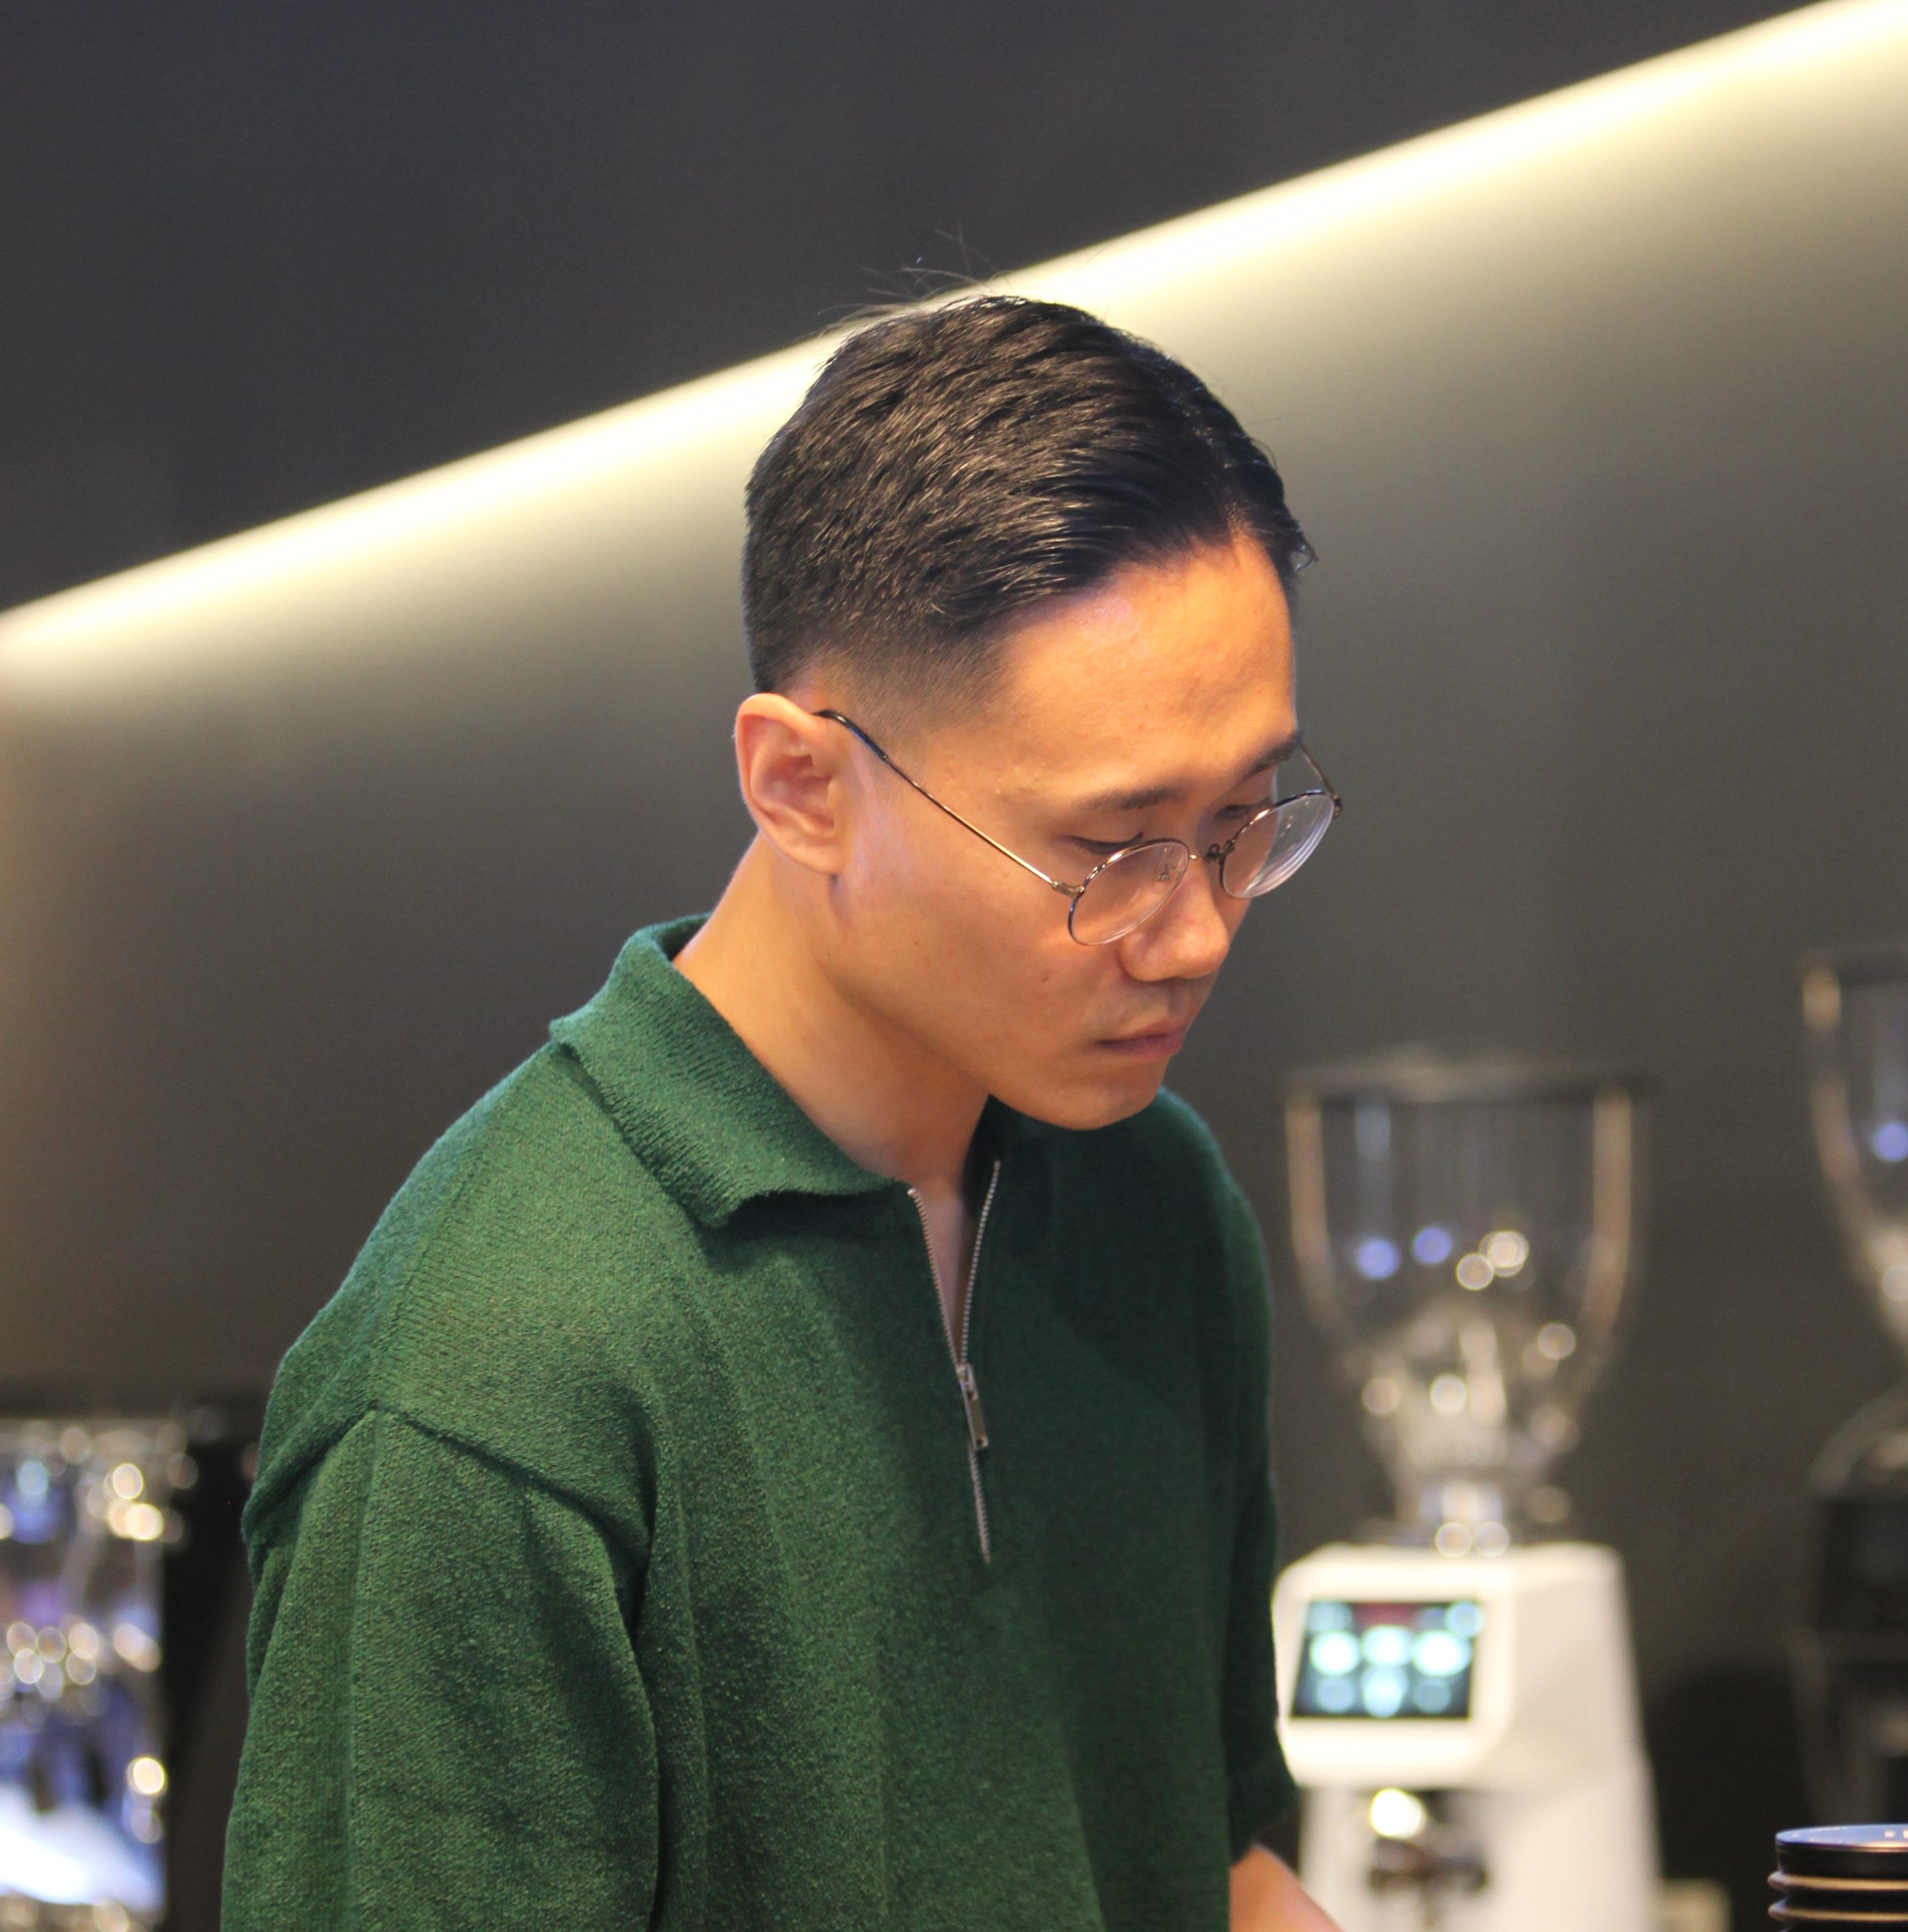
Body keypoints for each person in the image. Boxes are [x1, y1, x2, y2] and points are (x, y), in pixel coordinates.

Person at [223, 294, 1344, 1931]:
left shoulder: (1146, 1196)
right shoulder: (484, 1393)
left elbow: (1210, 1862)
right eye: (1108, 850)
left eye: (1245, 818)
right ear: (802, 784)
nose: (1192, 932)